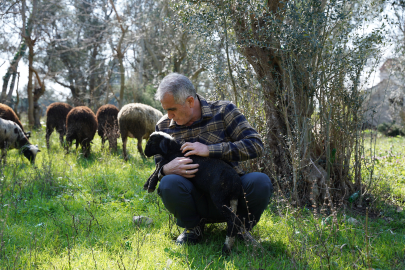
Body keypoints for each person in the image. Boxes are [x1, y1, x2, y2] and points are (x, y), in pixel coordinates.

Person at [153, 73, 273, 245]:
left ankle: (239, 228)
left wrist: (210, 150)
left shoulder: (224, 111)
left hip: (232, 194)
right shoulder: (163, 126)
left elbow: (256, 145)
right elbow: (159, 166)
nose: (169, 115)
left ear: (190, 102)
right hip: (193, 198)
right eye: (166, 110)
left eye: (173, 109)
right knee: (168, 184)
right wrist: (165, 169)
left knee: (261, 182)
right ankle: (193, 228)